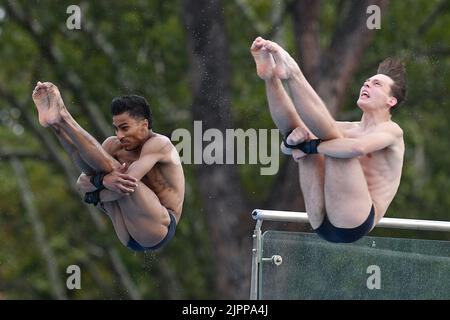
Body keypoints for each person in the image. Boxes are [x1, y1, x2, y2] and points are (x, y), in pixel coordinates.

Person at [251, 37, 405, 243]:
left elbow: (357, 148)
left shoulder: (392, 131)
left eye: (376, 84)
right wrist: (292, 143)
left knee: (335, 142)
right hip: (320, 219)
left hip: (354, 221)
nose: (367, 84)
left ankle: (293, 74)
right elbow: (290, 148)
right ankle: (271, 78)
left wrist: (311, 146)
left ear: (391, 101)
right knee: (306, 133)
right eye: (367, 81)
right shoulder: (348, 127)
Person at [32, 81, 184, 251]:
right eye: (116, 129)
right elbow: (81, 184)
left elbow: (124, 186)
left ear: (144, 125)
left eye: (125, 128)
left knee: (119, 175)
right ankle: (55, 124)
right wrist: (102, 182)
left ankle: (64, 116)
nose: (120, 136)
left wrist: (96, 194)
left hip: (157, 227)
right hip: (126, 232)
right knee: (99, 169)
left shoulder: (159, 144)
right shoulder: (113, 145)